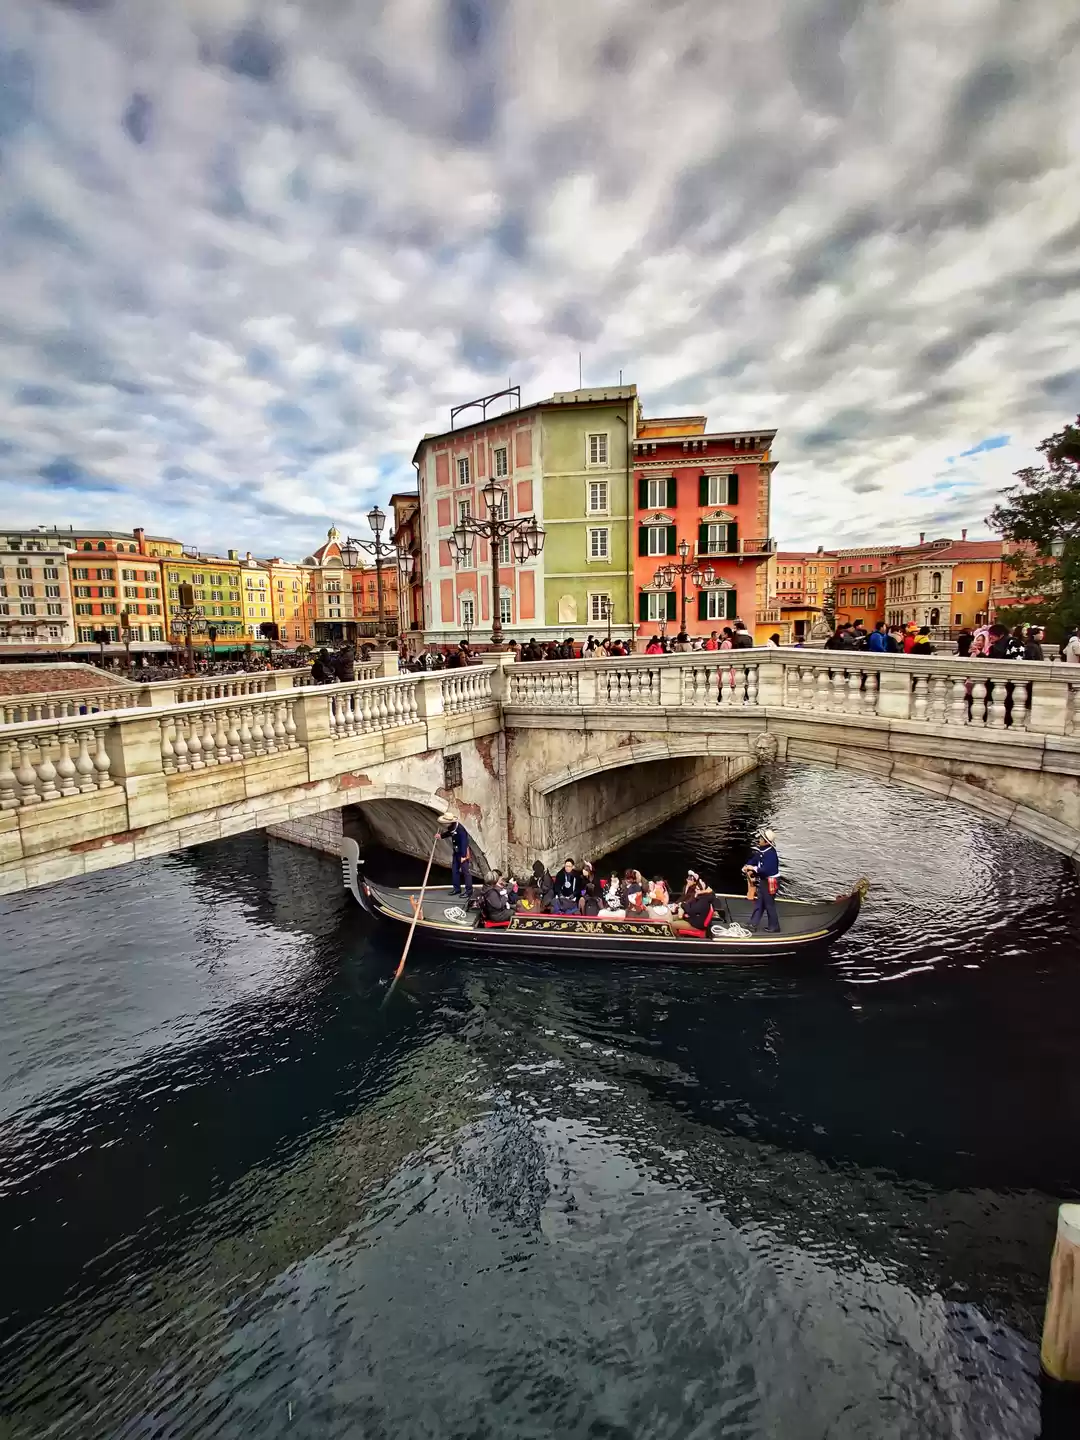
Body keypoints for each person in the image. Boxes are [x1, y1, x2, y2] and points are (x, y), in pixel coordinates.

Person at [745, 827, 781, 933]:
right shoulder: (763, 851)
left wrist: (753, 868)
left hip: (770, 881)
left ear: (766, 842)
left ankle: (774, 926)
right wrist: (747, 865)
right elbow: (755, 859)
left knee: (769, 904)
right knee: (760, 902)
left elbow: (766, 870)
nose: (759, 839)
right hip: (764, 880)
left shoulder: (771, 854)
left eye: (761, 838)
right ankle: (753, 923)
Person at [440, 816, 474, 902]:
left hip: (462, 853)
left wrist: (463, 856)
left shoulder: (460, 829)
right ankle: (457, 888)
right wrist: (441, 836)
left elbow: (464, 842)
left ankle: (469, 891)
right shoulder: (452, 827)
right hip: (456, 852)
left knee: (466, 872)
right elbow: (450, 833)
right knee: (454, 870)